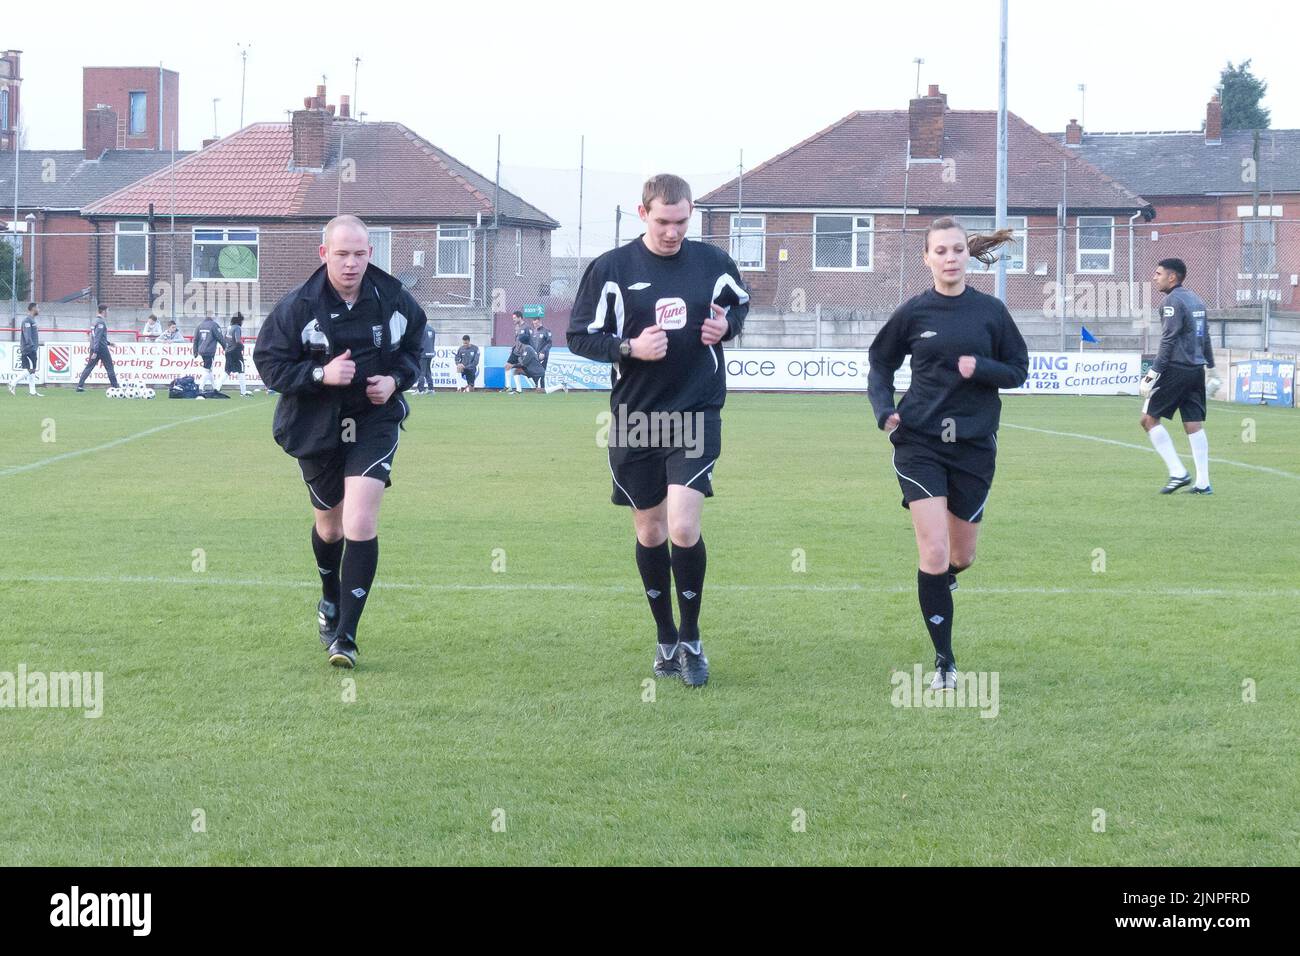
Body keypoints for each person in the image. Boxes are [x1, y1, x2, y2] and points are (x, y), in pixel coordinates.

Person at [567, 173, 750, 688]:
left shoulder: (712, 263)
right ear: (643, 213)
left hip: (695, 411)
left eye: (682, 221)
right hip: (636, 417)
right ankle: (665, 637)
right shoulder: (611, 269)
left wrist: (726, 328)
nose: (673, 232)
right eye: (664, 221)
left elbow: (739, 302)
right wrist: (629, 348)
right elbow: (579, 336)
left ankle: (691, 639)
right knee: (649, 531)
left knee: (684, 528)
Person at [253, 214, 427, 669]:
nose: (351, 263)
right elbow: (268, 364)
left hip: (374, 423)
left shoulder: (392, 299)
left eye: (359, 254)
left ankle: (345, 638)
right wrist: (319, 374)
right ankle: (329, 597)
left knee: (359, 521)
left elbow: (417, 350)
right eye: (342, 253)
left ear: (371, 254)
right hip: (317, 427)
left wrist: (395, 380)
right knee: (329, 528)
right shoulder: (298, 306)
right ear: (323, 253)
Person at [867, 217, 1028, 691]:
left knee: (963, 555)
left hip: (975, 446)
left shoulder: (991, 313)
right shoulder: (914, 313)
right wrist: (884, 410)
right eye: (940, 251)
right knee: (933, 551)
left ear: (967, 254)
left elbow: (1018, 370)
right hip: (919, 442)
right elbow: (880, 362)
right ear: (927, 258)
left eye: (957, 249)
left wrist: (982, 368)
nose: (950, 258)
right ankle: (945, 663)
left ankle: (945, 579)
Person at [1139, 258, 1216, 495]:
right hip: (1195, 370)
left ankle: (1178, 473)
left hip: (1176, 369)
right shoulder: (1197, 299)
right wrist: (1211, 366)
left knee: (1148, 420)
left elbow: (1169, 339)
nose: (1155, 277)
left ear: (1172, 277)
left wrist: (1152, 373)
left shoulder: (1171, 301)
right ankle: (1203, 483)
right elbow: (1204, 336)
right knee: (1193, 423)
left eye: (1158, 273)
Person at [76, 305, 119, 392]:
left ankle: (80, 386)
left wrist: (109, 343)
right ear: (104, 311)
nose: (108, 312)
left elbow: (96, 337)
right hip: (101, 349)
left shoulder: (94, 321)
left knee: (89, 367)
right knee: (109, 367)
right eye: (108, 310)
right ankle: (115, 387)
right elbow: (98, 337)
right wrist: (96, 351)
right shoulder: (100, 322)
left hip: (94, 347)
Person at [9, 302, 43, 396]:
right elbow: (27, 335)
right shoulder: (27, 321)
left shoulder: (32, 320)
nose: (39, 310)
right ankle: (13, 383)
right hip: (28, 349)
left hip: (32, 348)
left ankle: (32, 392)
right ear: (33, 309)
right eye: (38, 308)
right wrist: (31, 346)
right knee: (30, 369)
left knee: (32, 370)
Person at [193, 314, 228, 391]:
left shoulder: (199, 325)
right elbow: (220, 337)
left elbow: (195, 339)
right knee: (207, 369)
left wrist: (195, 351)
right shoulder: (214, 325)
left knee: (209, 369)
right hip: (210, 350)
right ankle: (200, 387)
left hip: (201, 350)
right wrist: (225, 347)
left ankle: (215, 387)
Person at [226, 312, 252, 397]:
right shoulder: (237, 328)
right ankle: (243, 392)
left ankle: (216, 388)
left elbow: (224, 338)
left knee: (227, 370)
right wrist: (242, 346)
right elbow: (237, 340)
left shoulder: (229, 327)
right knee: (241, 370)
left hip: (228, 351)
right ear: (239, 320)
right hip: (235, 351)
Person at [530, 315, 553, 390]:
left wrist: (543, 352)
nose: (535, 325)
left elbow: (549, 343)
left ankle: (542, 388)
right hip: (534, 355)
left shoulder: (546, 331)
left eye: (536, 323)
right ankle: (537, 387)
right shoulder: (533, 331)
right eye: (534, 324)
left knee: (541, 372)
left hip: (543, 355)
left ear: (540, 322)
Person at [415, 321, 436, 394]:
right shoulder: (432, 329)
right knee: (427, 371)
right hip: (430, 352)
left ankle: (420, 390)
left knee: (421, 372)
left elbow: (418, 342)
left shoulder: (420, 329)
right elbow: (433, 341)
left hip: (423, 353)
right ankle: (431, 389)